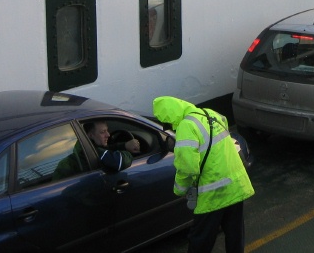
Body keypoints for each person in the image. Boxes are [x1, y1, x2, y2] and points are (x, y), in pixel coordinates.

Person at [153, 96, 254, 253]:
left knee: (200, 240)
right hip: (235, 186)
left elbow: (187, 167)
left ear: (170, 117)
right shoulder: (210, 114)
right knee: (235, 235)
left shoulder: (186, 126)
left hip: (213, 194)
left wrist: (180, 189)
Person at [53, 120, 140, 180]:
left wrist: (124, 145)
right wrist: (129, 153)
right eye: (102, 132)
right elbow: (119, 162)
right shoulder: (91, 152)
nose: (108, 135)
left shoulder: (83, 148)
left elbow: (106, 149)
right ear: (90, 135)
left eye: (107, 130)